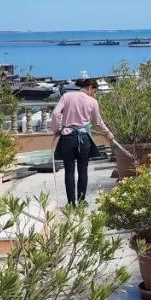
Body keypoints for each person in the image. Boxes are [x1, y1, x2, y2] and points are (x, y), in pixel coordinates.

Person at [51, 77, 114, 205]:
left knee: (69, 170)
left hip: (67, 137)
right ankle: (81, 201)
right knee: (82, 170)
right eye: (94, 91)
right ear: (90, 87)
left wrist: (57, 129)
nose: (93, 93)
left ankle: (71, 203)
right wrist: (108, 133)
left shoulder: (66, 96)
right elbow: (97, 122)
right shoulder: (92, 101)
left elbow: (56, 113)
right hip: (84, 138)